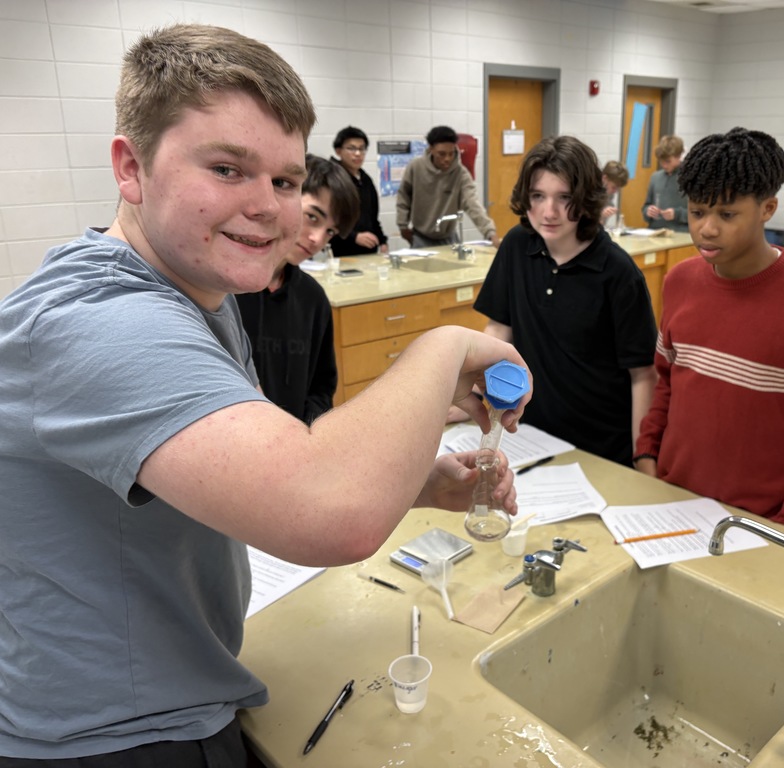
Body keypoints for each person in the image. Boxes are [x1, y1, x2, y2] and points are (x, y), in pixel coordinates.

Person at [0, 24, 529, 763]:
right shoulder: (99, 322)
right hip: (113, 737)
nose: (270, 209)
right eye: (226, 169)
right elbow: (327, 509)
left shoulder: (200, 293)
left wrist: (410, 484)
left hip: (182, 690)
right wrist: (443, 347)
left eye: (283, 181)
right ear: (131, 168)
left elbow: (246, 473)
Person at [634, 127, 784, 534]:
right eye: (697, 212)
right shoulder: (680, 282)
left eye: (727, 214)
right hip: (673, 500)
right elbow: (668, 381)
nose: (707, 229)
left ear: (767, 209)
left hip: (763, 523)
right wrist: (647, 453)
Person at [473, 135, 657, 466]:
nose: (549, 212)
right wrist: (476, 398)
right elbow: (499, 330)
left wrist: (642, 458)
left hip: (600, 449)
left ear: (586, 199)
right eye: (538, 196)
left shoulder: (618, 272)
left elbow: (642, 375)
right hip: (529, 437)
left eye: (564, 197)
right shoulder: (517, 245)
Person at [236, 154, 357, 424]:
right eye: (313, 217)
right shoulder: (224, 291)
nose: (317, 239)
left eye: (330, 232)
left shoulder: (313, 299)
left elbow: (322, 387)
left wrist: (303, 432)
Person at [396, 125, 501, 249]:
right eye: (442, 154)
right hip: (421, 237)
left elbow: (472, 204)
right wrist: (402, 226)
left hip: (448, 238)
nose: (447, 159)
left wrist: (490, 233)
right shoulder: (415, 167)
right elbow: (404, 197)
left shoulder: (461, 174)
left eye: (451, 154)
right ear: (431, 149)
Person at [329, 125, 389, 256]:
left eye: (362, 149)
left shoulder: (366, 180)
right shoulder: (332, 179)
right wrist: (354, 237)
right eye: (351, 148)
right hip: (343, 251)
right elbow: (329, 219)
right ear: (338, 151)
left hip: (369, 252)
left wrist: (382, 241)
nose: (358, 153)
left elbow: (373, 218)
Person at [641, 134, 688, 232]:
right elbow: (646, 206)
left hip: (680, 234)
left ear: (678, 156)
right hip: (655, 232)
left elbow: (700, 214)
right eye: (661, 161)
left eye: (668, 161)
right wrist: (648, 211)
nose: (664, 165)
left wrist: (677, 214)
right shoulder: (655, 177)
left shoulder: (690, 178)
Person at [601, 160, 629, 228]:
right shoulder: (589, 189)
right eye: (614, 187)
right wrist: (600, 215)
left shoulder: (608, 191)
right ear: (604, 178)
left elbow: (600, 224)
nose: (615, 191)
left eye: (618, 188)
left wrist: (602, 216)